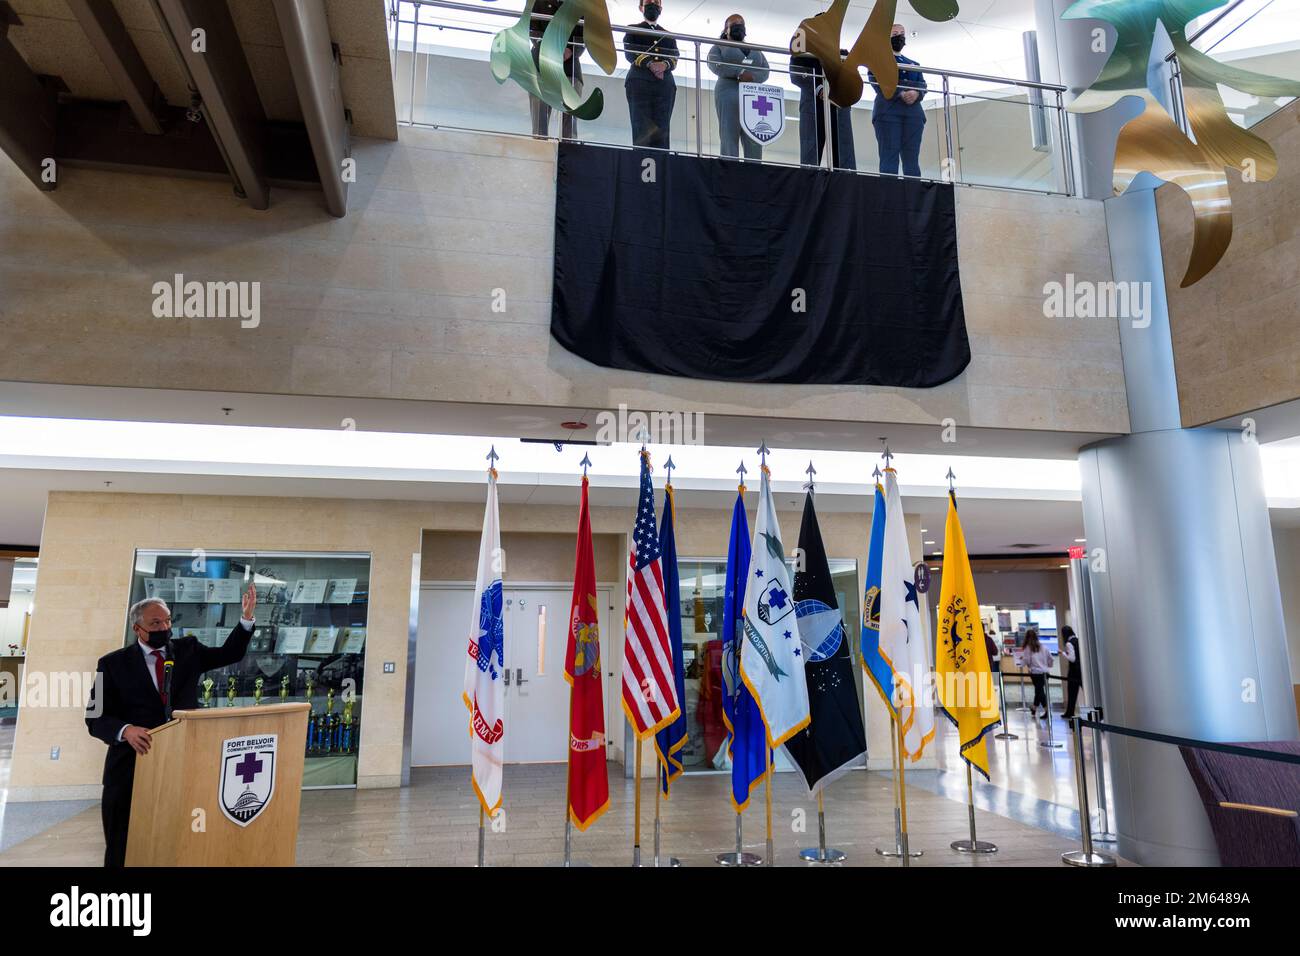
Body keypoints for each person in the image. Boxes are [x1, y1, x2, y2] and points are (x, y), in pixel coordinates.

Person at [86, 589, 257, 867]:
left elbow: (230, 653)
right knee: (123, 842)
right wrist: (126, 730)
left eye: (167, 621)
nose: (164, 628)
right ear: (137, 628)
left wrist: (246, 619)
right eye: (155, 623)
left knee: (180, 836)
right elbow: (95, 718)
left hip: (182, 764)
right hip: (131, 767)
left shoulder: (188, 650)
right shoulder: (112, 664)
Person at [708, 14, 770, 161]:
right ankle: (729, 170)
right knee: (729, 134)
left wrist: (753, 77)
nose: (739, 26)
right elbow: (715, 64)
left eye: (741, 24)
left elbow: (766, 70)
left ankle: (754, 171)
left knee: (754, 136)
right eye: (734, 24)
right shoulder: (719, 46)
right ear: (726, 29)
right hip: (728, 93)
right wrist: (738, 73)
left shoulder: (755, 49)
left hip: (753, 97)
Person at [790, 32, 856, 169]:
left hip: (838, 106)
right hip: (812, 107)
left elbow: (852, 77)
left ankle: (844, 186)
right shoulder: (803, 54)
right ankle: (809, 186)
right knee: (810, 154)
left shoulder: (843, 54)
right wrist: (819, 88)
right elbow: (795, 74)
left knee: (843, 151)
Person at [868, 24, 926, 176]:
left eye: (902, 33)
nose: (899, 36)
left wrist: (916, 93)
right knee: (889, 157)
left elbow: (923, 85)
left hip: (913, 114)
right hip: (888, 112)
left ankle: (913, 195)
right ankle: (889, 196)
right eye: (894, 33)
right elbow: (876, 81)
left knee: (912, 159)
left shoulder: (914, 64)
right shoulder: (878, 59)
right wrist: (900, 92)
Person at [624, 0, 679, 150]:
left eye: (656, 2)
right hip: (639, 82)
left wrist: (664, 65)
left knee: (662, 129)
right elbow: (629, 51)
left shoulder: (668, 35)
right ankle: (641, 167)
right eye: (649, 1)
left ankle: (661, 168)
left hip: (665, 85)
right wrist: (650, 63)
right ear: (641, 7)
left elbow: (675, 57)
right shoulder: (633, 29)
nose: (653, 4)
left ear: (661, 8)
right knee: (641, 129)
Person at [529, 0, 585, 140]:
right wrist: (550, 48)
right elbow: (532, 29)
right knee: (539, 125)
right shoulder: (539, 2)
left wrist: (570, 50)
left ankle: (570, 156)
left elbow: (587, 37)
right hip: (541, 65)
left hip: (570, 68)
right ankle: (539, 153)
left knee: (569, 125)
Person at [1018, 627, 1054, 720]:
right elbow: (1051, 659)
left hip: (1035, 673)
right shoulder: (1043, 646)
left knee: (1040, 692)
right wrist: (1048, 666)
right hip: (1045, 673)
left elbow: (1026, 660)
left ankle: (1047, 711)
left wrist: (1020, 662)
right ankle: (1034, 707)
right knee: (1038, 691)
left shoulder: (1027, 648)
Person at [1061, 625, 1084, 720]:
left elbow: (1072, 659)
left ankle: (1070, 712)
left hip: (1074, 672)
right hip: (1081, 671)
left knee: (1072, 693)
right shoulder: (1079, 640)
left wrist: (1062, 653)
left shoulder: (1069, 643)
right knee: (1086, 691)